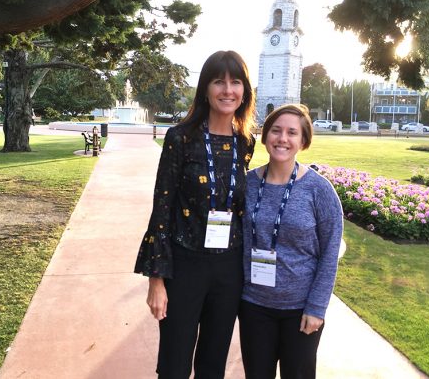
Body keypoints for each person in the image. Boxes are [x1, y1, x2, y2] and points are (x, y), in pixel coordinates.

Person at [134, 50, 257, 378]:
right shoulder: (181, 138)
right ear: (205, 88)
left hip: (228, 269)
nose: (227, 90)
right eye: (219, 81)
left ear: (245, 91)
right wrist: (156, 279)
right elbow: (162, 208)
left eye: (236, 82)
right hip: (185, 266)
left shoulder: (245, 143)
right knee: (174, 364)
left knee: (213, 363)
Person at [239, 104, 343, 379]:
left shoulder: (319, 190)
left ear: (303, 141)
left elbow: (330, 253)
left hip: (300, 311)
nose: (282, 138)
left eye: (292, 133)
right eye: (276, 130)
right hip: (253, 305)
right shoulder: (248, 184)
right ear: (265, 136)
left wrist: (316, 307)